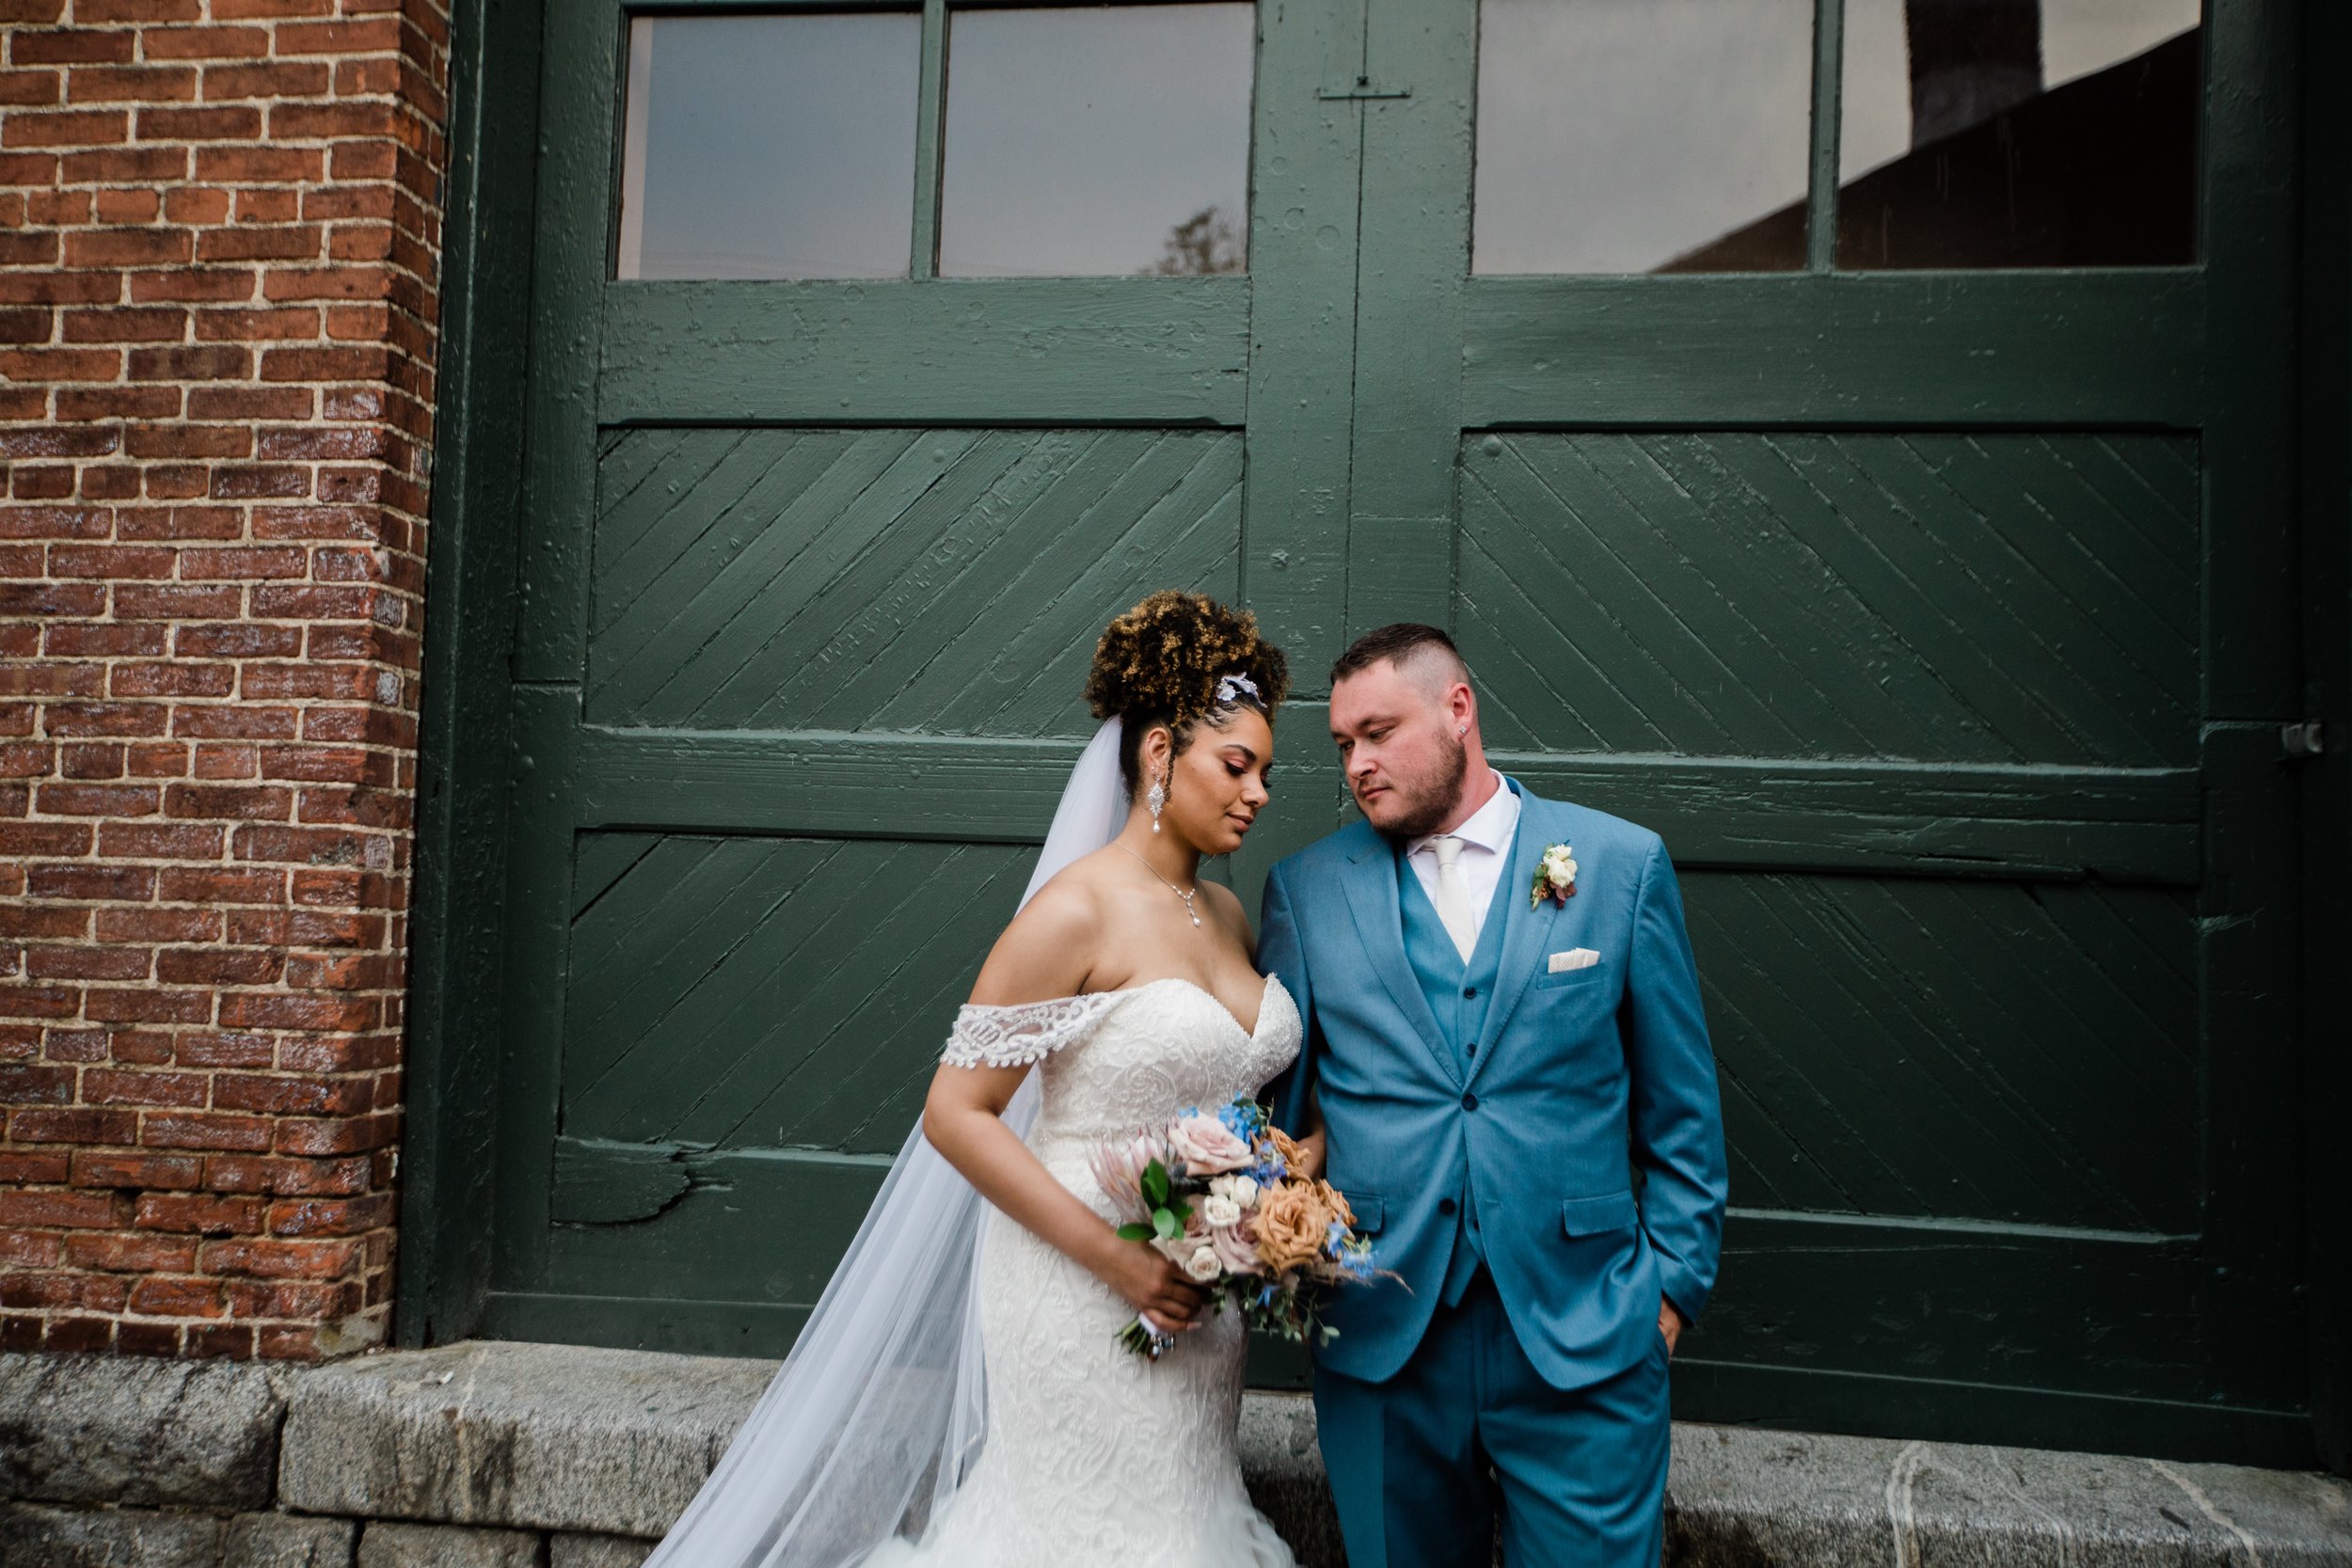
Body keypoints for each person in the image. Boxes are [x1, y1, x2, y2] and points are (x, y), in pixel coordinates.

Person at [636, 590, 1303, 1568]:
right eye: (1235, 765)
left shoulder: (1227, 914)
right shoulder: (1073, 914)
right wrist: (1117, 1259)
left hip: (1203, 1293)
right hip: (1082, 1281)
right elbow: (957, 1111)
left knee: (1184, 1518)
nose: (1258, 792)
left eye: (1266, 773)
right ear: (1160, 754)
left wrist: (1272, 1196)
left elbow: (1236, 1099)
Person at [1257, 622, 1729, 1568]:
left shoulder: (1616, 863)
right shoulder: (1305, 890)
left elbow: (1682, 1107)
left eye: (1380, 731)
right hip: (1384, 1340)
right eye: (1343, 743)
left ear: (1458, 708)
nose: (1358, 762)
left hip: (1586, 1332)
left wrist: (1667, 1296)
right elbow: (1283, 1123)